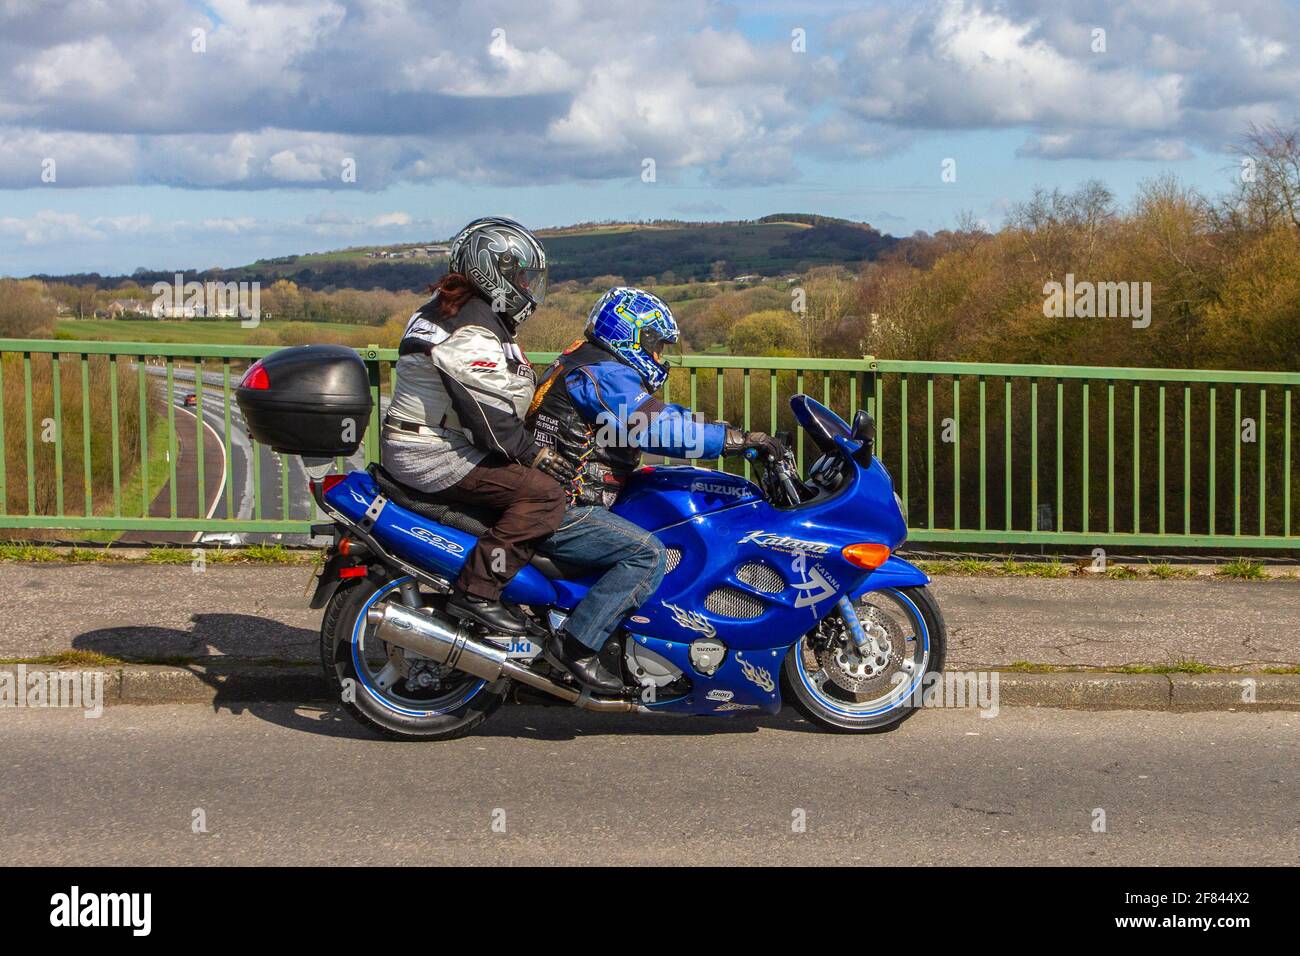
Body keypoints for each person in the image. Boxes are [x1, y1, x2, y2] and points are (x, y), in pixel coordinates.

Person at [526, 286, 784, 692]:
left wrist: (733, 435)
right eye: (654, 344)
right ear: (629, 334)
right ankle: (575, 647)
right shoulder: (602, 373)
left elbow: (660, 413)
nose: (658, 356)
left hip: (552, 499)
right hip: (562, 508)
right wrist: (733, 442)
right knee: (647, 555)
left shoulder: (591, 363)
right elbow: (656, 427)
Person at [381, 216, 575, 635]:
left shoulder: (467, 312)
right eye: (521, 277)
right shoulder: (471, 325)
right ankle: (477, 592)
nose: (527, 288)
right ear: (493, 272)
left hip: (425, 441)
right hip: (431, 452)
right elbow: (489, 420)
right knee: (544, 496)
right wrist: (536, 454)